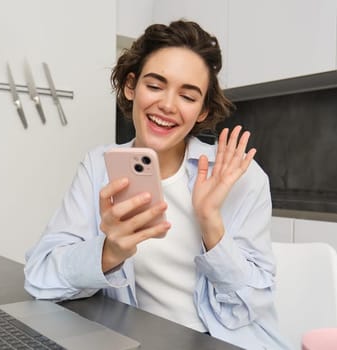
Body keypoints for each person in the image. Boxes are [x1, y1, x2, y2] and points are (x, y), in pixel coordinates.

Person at [24, 20, 289, 349]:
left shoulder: (239, 176)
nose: (167, 104)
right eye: (155, 85)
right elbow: (40, 278)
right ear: (131, 86)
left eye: (188, 96)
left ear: (203, 110)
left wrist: (210, 224)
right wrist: (109, 252)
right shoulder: (98, 167)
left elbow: (253, 306)